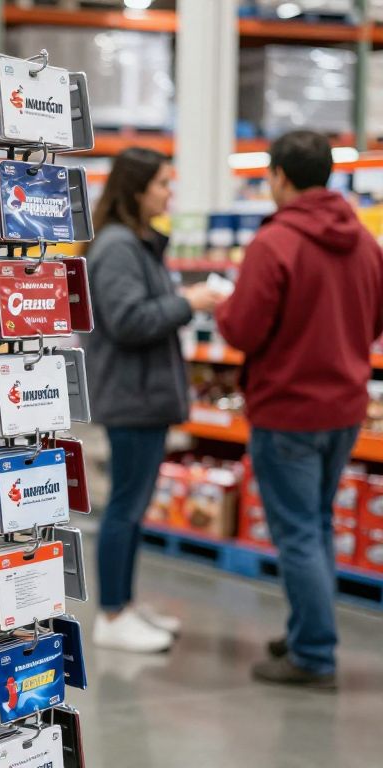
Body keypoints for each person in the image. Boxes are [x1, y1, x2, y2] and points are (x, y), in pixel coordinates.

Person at [216, 131, 383, 690]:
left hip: (288, 409)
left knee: (299, 533)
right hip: (344, 408)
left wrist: (225, 310)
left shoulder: (276, 242)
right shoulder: (364, 242)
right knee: (317, 524)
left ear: (281, 176)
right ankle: (307, 628)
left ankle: (313, 653)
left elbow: (243, 328)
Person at [84, 148, 224, 653]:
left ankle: (124, 603)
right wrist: (188, 302)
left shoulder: (137, 244)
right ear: (136, 189)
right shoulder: (118, 247)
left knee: (135, 504)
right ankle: (111, 614)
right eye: (163, 184)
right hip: (132, 395)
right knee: (124, 506)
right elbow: (128, 320)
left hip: (143, 395)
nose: (169, 193)